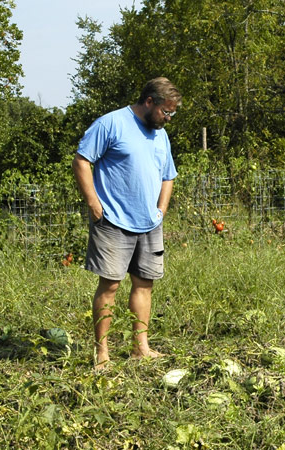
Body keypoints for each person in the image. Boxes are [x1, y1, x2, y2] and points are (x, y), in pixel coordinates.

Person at [72, 77, 181, 370]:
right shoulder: (111, 124)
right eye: (165, 112)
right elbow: (82, 160)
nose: (168, 118)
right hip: (113, 220)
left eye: (172, 113)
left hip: (149, 222)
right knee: (110, 286)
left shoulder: (160, 135)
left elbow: (168, 175)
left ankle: (140, 348)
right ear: (149, 102)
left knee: (144, 284)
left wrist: (161, 210)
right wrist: (94, 204)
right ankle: (102, 354)